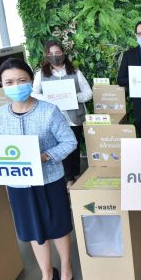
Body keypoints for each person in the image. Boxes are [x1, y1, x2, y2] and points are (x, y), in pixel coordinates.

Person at [0, 58, 78, 280]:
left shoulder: (49, 111)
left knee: (58, 226)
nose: (16, 86)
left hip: (50, 180)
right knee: (33, 230)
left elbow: (70, 142)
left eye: (22, 80)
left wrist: (45, 156)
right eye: (9, 82)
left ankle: (66, 268)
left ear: (31, 81)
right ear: (2, 85)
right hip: (19, 184)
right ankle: (47, 274)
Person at [31, 40, 92, 188]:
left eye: (58, 53)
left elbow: (88, 93)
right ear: (47, 56)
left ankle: (76, 173)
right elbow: (34, 93)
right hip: (53, 118)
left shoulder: (75, 72)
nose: (55, 56)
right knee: (61, 148)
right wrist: (48, 97)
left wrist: (73, 96)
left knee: (74, 147)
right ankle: (68, 178)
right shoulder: (41, 74)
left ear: (63, 53)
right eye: (51, 53)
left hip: (74, 117)